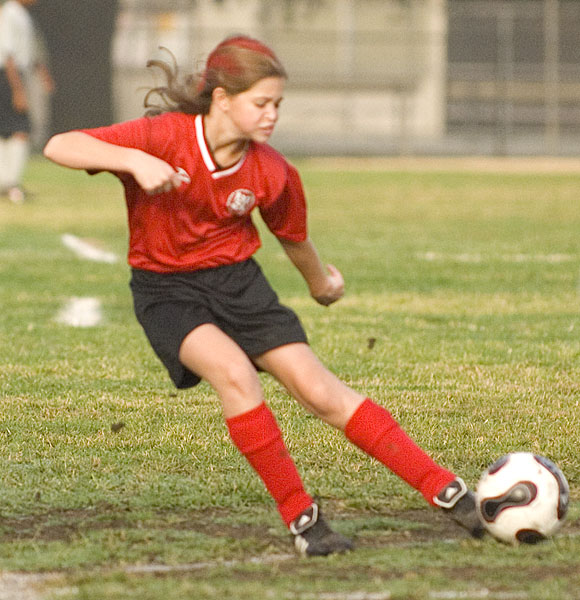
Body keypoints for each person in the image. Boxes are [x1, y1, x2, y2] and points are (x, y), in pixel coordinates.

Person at [43, 35, 484, 556]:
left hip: (240, 286)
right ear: (222, 98)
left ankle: (451, 495)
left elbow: (293, 238)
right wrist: (133, 161)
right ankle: (304, 522)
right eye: (261, 103)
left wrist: (321, 285)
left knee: (321, 392)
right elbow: (60, 145)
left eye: (277, 104)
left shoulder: (272, 170)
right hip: (168, 291)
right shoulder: (164, 136)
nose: (272, 115)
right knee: (235, 374)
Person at [0, 0, 53, 204]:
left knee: (9, 129)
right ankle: (9, 182)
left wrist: (41, 73)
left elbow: (29, 50)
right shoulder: (10, 13)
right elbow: (8, 54)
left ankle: (7, 182)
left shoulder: (22, 14)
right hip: (8, 76)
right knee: (19, 128)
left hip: (16, 74)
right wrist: (18, 89)